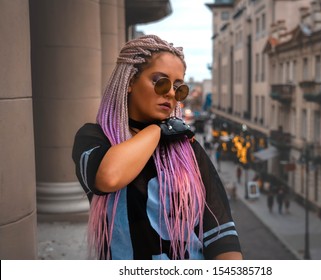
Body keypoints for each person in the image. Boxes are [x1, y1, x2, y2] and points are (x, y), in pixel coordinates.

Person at [72, 35, 242, 260]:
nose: (171, 93)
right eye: (160, 81)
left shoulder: (188, 149)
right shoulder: (94, 138)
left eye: (179, 88)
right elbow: (109, 178)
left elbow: (220, 234)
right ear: (130, 81)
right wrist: (158, 130)